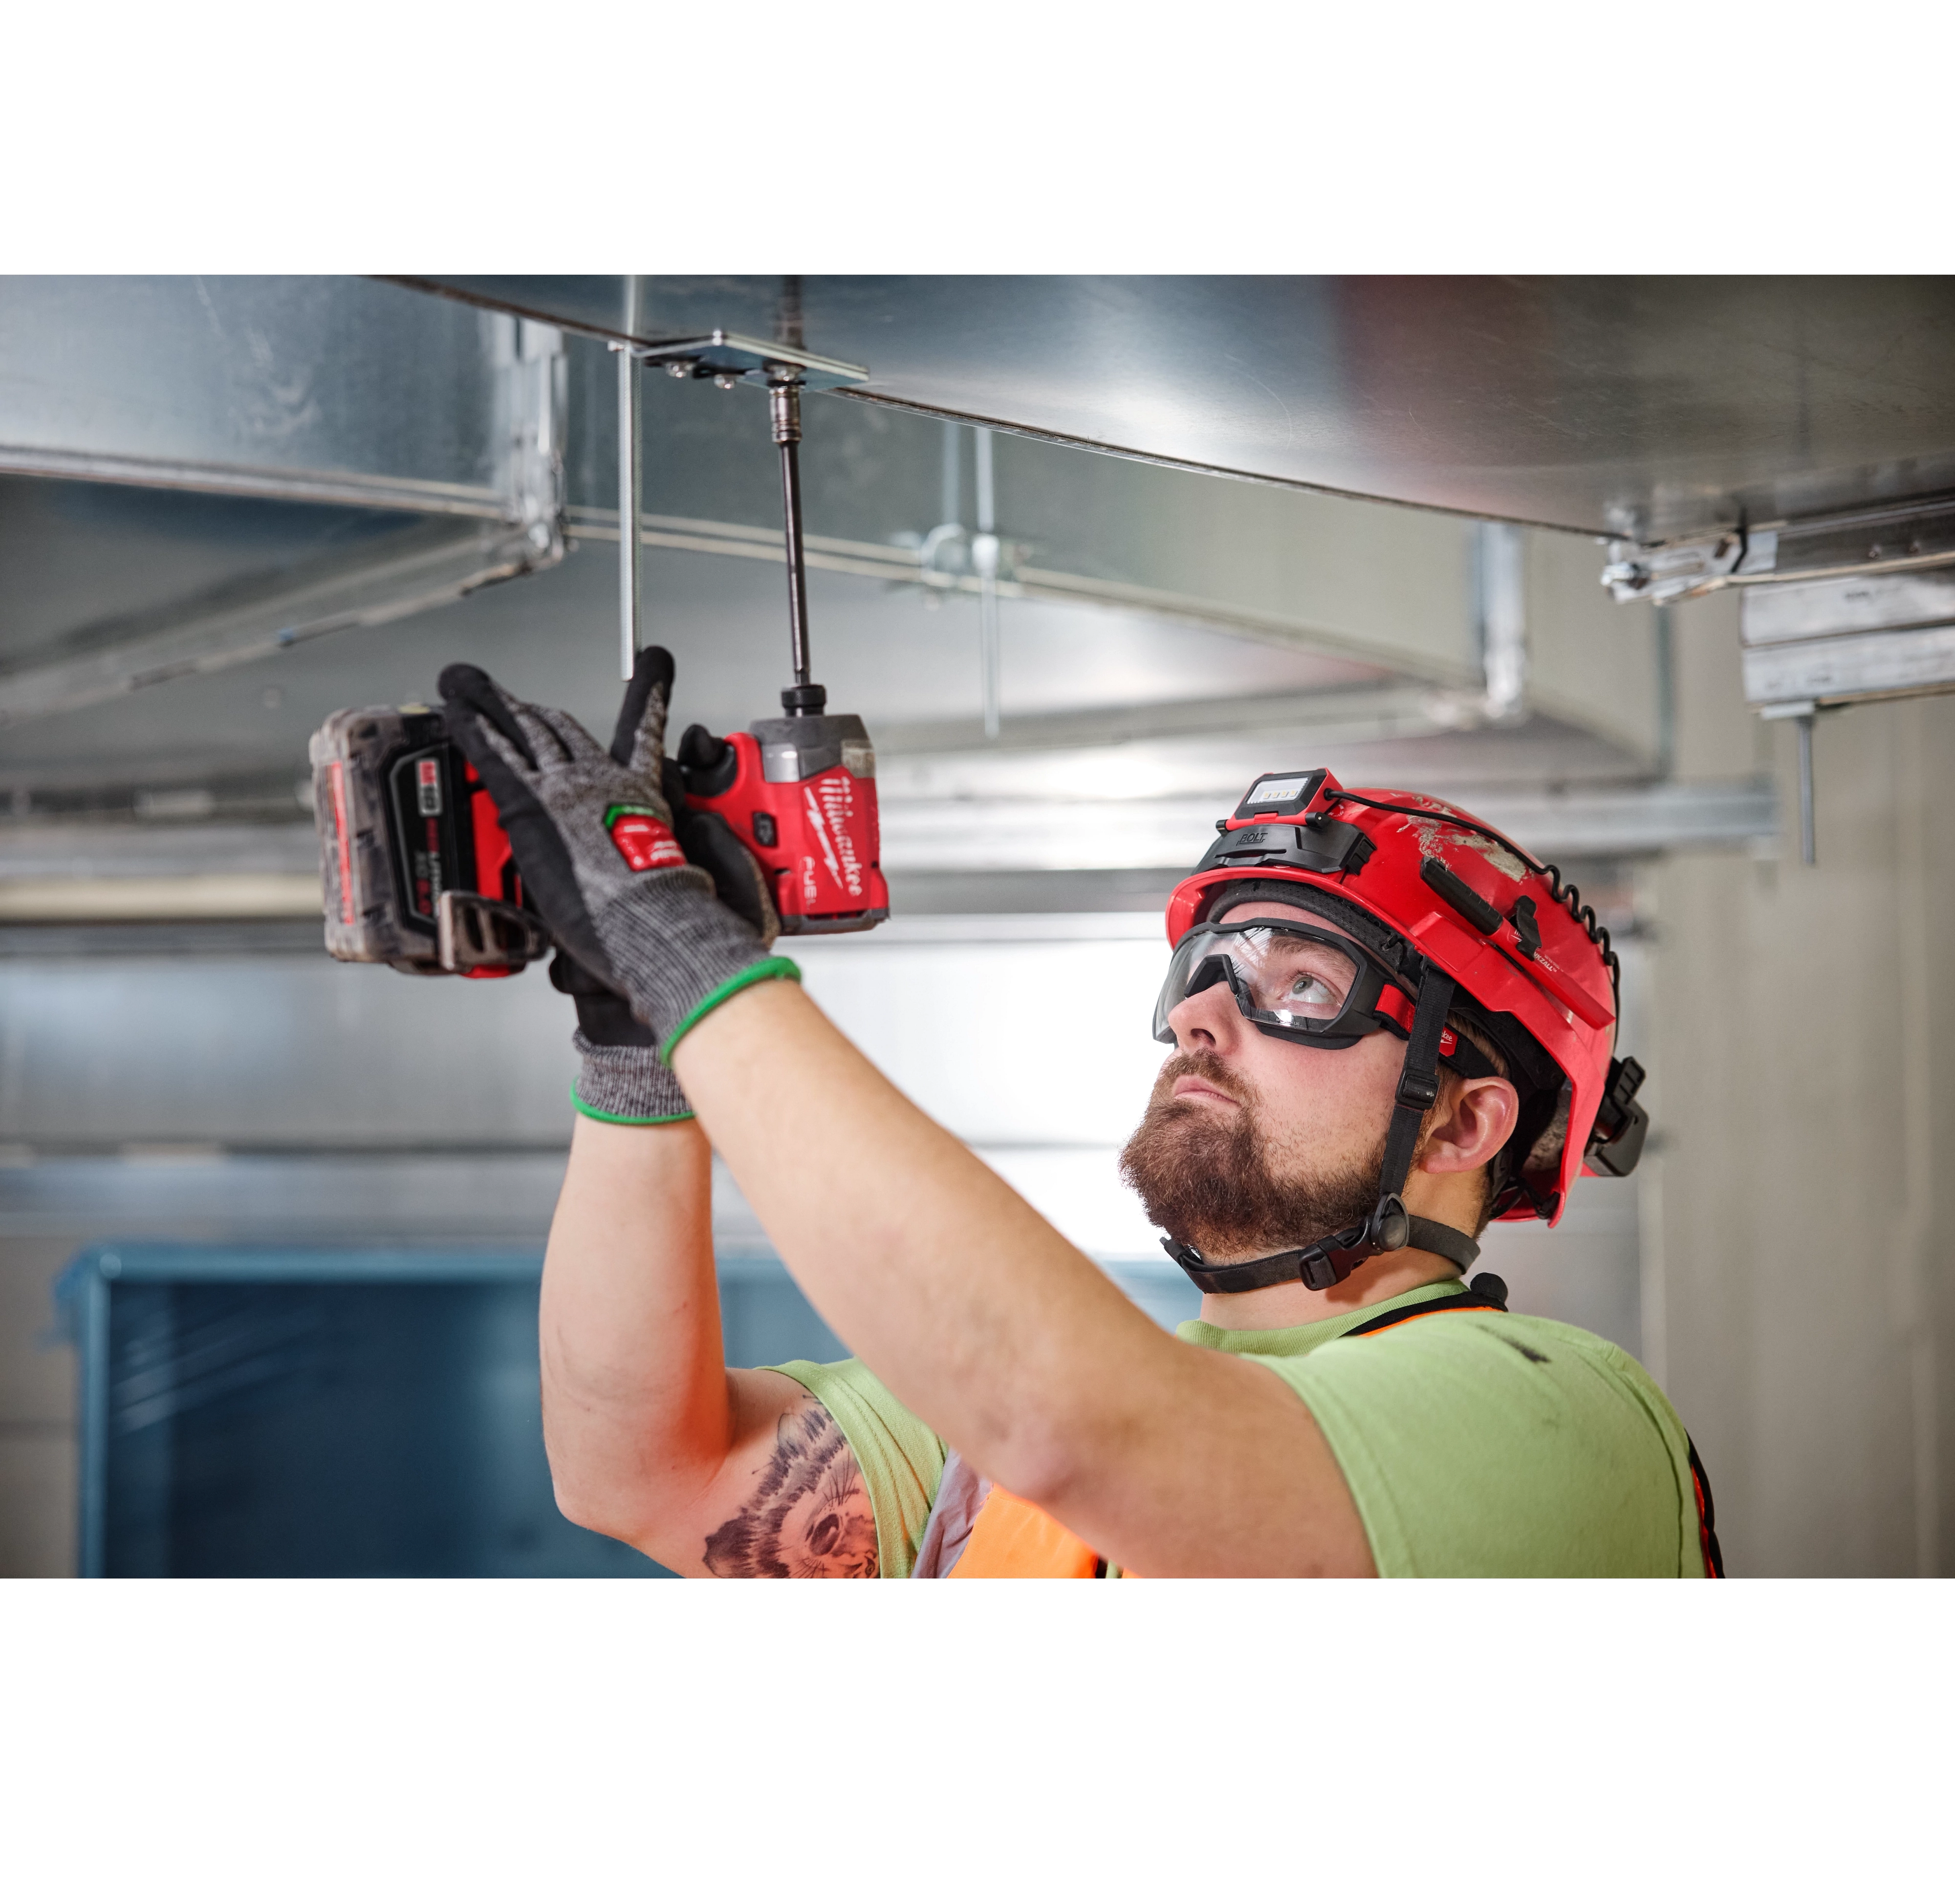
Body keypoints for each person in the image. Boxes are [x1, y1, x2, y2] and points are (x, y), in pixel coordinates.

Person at [439, 651, 1721, 1580]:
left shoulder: (1560, 1420)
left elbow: (1075, 1419)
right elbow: (635, 1471)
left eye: (1306, 987)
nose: (1198, 1022)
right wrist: (633, 1043)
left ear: (1464, 1126)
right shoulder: (982, 1459)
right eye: (1206, 972)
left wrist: (693, 970)